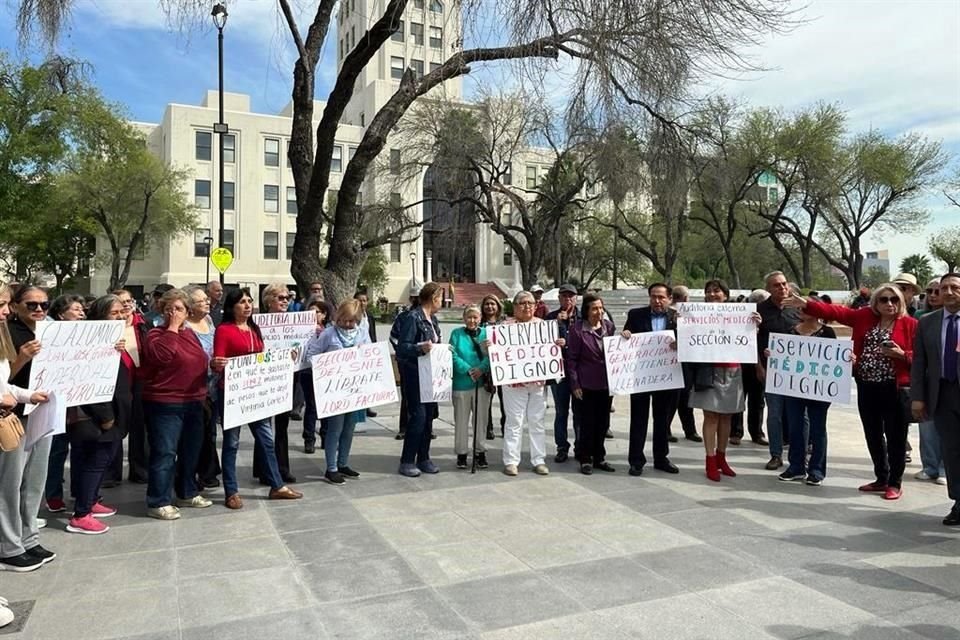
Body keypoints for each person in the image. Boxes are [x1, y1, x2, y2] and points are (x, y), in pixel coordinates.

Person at [787, 284, 918, 500]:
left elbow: (922, 356)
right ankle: (881, 478)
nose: (889, 304)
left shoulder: (911, 324)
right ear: (875, 302)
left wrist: (902, 354)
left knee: (896, 437)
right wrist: (807, 304)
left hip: (894, 388)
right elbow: (837, 312)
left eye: (894, 300)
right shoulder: (864, 316)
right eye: (884, 299)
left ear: (901, 302)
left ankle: (895, 482)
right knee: (873, 434)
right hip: (867, 386)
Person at [211, 288, 302, 509]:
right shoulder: (224, 330)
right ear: (232, 306)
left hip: (256, 393)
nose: (247, 305)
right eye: (242, 302)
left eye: (249, 301)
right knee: (232, 442)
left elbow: (262, 357)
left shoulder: (254, 328)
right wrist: (216, 364)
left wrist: (283, 359)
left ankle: (276, 485)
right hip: (233, 393)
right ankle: (231, 491)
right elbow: (217, 359)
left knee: (266, 439)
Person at [142, 289, 213, 521]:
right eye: (169, 309)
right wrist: (172, 328)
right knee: (165, 452)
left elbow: (200, 360)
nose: (174, 313)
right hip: (165, 403)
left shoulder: (191, 335)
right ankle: (158, 500)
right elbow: (162, 356)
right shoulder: (155, 334)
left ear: (187, 311)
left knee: (190, 451)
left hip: (194, 401)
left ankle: (186, 492)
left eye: (179, 309)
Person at [63, 295, 130, 535]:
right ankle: (81, 514)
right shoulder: (92, 343)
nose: (121, 316)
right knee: (95, 461)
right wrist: (105, 416)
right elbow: (90, 380)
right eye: (114, 313)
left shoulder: (112, 340)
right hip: (99, 416)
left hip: (111, 413)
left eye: (122, 311)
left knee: (96, 460)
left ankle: (90, 500)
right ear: (100, 316)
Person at [0, 283, 52, 570]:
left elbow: (6, 383)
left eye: (44, 304)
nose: (39, 310)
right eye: (31, 305)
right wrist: (23, 358)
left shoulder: (50, 330)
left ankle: (27, 537)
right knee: (9, 482)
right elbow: (7, 380)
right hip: (10, 419)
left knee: (33, 480)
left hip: (39, 411)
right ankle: (8, 545)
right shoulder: (11, 332)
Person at [687, 279, 756, 482]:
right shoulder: (696, 315)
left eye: (716, 291)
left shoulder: (739, 315)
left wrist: (754, 323)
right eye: (708, 291)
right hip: (708, 370)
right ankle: (709, 460)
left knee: (726, 416)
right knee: (711, 416)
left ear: (725, 294)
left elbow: (748, 339)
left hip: (733, 369)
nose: (712, 294)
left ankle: (721, 457)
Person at [910, 272, 960, 526]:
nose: (949, 292)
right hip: (942, 395)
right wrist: (917, 398)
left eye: (954, 287)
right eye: (944, 288)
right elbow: (919, 362)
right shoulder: (927, 322)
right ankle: (958, 501)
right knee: (951, 451)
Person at [305, 300, 371, 484]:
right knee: (335, 428)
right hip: (334, 390)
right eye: (344, 320)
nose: (347, 324)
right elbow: (312, 354)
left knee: (349, 427)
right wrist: (324, 367)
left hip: (354, 389)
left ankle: (343, 463)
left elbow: (371, 353)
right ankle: (331, 467)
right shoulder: (329, 334)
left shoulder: (362, 333)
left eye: (351, 321)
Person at [776, 297, 838, 486]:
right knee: (795, 427)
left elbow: (835, 358)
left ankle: (817, 470)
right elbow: (784, 357)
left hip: (820, 388)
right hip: (794, 387)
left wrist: (846, 358)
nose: (801, 310)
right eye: (800, 307)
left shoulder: (827, 333)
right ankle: (796, 467)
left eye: (806, 307)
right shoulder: (790, 332)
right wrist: (773, 355)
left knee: (818, 429)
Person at [500, 290, 561, 477]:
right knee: (514, 421)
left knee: (537, 421)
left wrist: (558, 344)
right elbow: (496, 352)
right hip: (513, 384)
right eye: (522, 303)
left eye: (530, 303)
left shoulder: (544, 326)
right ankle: (511, 461)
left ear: (536, 306)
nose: (527, 306)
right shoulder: (504, 327)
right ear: (515, 306)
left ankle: (538, 460)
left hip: (537, 383)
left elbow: (551, 351)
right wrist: (489, 346)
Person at [622, 283, 680, 476]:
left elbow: (689, 342)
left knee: (662, 420)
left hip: (667, 376)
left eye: (661, 297)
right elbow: (627, 335)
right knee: (639, 419)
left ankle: (661, 458)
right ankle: (636, 460)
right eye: (653, 296)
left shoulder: (678, 318)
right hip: (641, 376)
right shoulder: (636, 315)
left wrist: (679, 344)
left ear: (669, 299)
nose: (657, 301)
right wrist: (626, 335)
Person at [42, 295, 86, 514]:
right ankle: (53, 495)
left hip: (81, 402)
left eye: (82, 309)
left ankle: (81, 491)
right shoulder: (49, 336)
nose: (81, 313)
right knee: (57, 451)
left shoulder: (88, 335)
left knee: (80, 449)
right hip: (57, 403)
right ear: (61, 314)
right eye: (76, 309)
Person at [395, 283, 443, 476]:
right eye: (440, 299)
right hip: (414, 374)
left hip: (432, 375)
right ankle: (407, 460)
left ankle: (424, 457)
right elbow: (402, 347)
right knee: (418, 417)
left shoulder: (434, 320)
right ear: (434, 298)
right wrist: (419, 348)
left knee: (429, 417)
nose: (441, 303)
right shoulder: (412, 318)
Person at [756, 271, 801, 471]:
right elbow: (752, 341)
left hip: (798, 371)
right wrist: (758, 366)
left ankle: (799, 455)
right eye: (776, 285)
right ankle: (775, 455)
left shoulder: (798, 308)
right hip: (771, 370)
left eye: (784, 284)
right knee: (774, 414)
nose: (782, 288)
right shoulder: (759, 311)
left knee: (800, 415)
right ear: (768, 289)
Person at [252, 283, 296, 485]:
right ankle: (263, 468)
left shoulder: (295, 322)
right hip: (263, 378)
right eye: (280, 297)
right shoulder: (256, 323)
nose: (285, 300)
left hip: (286, 377)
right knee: (263, 425)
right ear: (269, 300)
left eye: (287, 297)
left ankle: (282, 468)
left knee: (282, 425)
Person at [567, 293, 616, 474]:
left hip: (605, 384)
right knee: (586, 423)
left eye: (601, 308)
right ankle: (585, 457)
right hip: (585, 384)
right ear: (586, 310)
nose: (598, 312)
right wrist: (575, 384)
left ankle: (600, 457)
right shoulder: (577, 330)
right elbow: (571, 359)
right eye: (594, 308)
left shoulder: (609, 327)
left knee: (603, 423)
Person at [105, 288, 148, 487]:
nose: (127, 305)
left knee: (141, 428)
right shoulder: (107, 327)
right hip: (116, 383)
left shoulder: (143, 324)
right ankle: (111, 473)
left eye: (129, 301)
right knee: (116, 427)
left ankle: (139, 470)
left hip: (140, 382)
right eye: (122, 303)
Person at [181, 286, 221, 489]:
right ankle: (191, 474)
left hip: (213, 386)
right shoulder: (184, 326)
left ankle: (208, 470)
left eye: (207, 299)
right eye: (201, 301)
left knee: (210, 432)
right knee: (194, 434)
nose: (207, 302)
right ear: (190, 306)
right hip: (193, 388)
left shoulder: (209, 320)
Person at [914, 278, 947, 485]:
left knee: (950, 432)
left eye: (938, 291)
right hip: (929, 383)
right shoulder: (923, 319)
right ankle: (930, 466)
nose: (934, 295)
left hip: (952, 384)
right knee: (927, 429)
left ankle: (945, 468)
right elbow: (919, 359)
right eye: (930, 291)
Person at [449, 305, 491, 470]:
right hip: (462, 383)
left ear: (480, 318)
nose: (472, 320)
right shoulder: (456, 334)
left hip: (481, 383)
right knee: (461, 420)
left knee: (481, 420)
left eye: (475, 317)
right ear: (464, 318)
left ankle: (480, 451)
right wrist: (467, 369)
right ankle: (461, 453)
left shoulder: (486, 334)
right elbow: (452, 354)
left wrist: (481, 369)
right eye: (469, 317)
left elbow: (492, 354)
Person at [545, 284, 582, 462]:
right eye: (564, 296)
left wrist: (566, 344)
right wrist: (557, 325)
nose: (568, 300)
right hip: (559, 371)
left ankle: (580, 446)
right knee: (561, 411)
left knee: (579, 411)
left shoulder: (583, 318)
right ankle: (562, 446)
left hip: (579, 372)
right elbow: (542, 343)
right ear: (559, 299)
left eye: (571, 296)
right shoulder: (551, 318)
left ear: (576, 298)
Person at [731, 289, 770, 447]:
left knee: (758, 400)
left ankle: (757, 432)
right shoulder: (740, 316)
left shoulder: (765, 317)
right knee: (738, 399)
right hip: (741, 362)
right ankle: (736, 432)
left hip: (759, 363)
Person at [389, 286, 421, 441]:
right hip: (407, 362)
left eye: (419, 297)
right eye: (414, 298)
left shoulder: (430, 317)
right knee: (407, 395)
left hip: (425, 362)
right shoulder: (403, 317)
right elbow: (394, 337)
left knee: (426, 396)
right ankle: (404, 427)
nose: (416, 301)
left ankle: (425, 426)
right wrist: (403, 351)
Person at [300, 295, 330, 454]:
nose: (314, 315)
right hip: (307, 372)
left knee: (325, 406)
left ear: (324, 314)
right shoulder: (301, 332)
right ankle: (309, 438)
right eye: (310, 312)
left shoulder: (330, 331)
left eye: (317, 312)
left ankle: (326, 436)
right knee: (311, 405)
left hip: (325, 373)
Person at [479, 294, 504, 441]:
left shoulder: (505, 323)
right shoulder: (479, 324)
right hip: (486, 365)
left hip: (503, 365)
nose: (490, 307)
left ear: (498, 306)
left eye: (493, 304)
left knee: (505, 399)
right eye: (487, 304)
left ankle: (505, 426)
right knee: (486, 399)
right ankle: (488, 428)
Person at [355, 290, 378, 419]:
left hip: (369, 351)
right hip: (357, 351)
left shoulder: (369, 316)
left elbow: (372, 333)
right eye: (360, 300)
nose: (362, 303)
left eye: (364, 300)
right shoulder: (353, 316)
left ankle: (367, 406)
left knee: (368, 382)